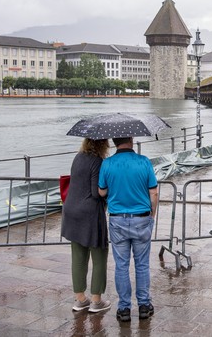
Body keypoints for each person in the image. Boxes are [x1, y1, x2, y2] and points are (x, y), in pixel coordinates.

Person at [98, 137, 158, 322]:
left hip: (117, 221)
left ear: (115, 141)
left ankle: (124, 309)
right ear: (131, 140)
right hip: (141, 218)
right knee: (142, 264)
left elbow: (101, 192)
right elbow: (154, 192)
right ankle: (144, 306)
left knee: (121, 265)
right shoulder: (144, 162)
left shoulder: (107, 164)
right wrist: (152, 215)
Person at [61, 138, 111, 313]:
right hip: (89, 214)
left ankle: (80, 299)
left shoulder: (78, 157)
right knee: (99, 256)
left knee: (78, 257)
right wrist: (109, 189)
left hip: (71, 210)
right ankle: (97, 301)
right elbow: (95, 193)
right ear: (102, 143)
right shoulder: (97, 161)